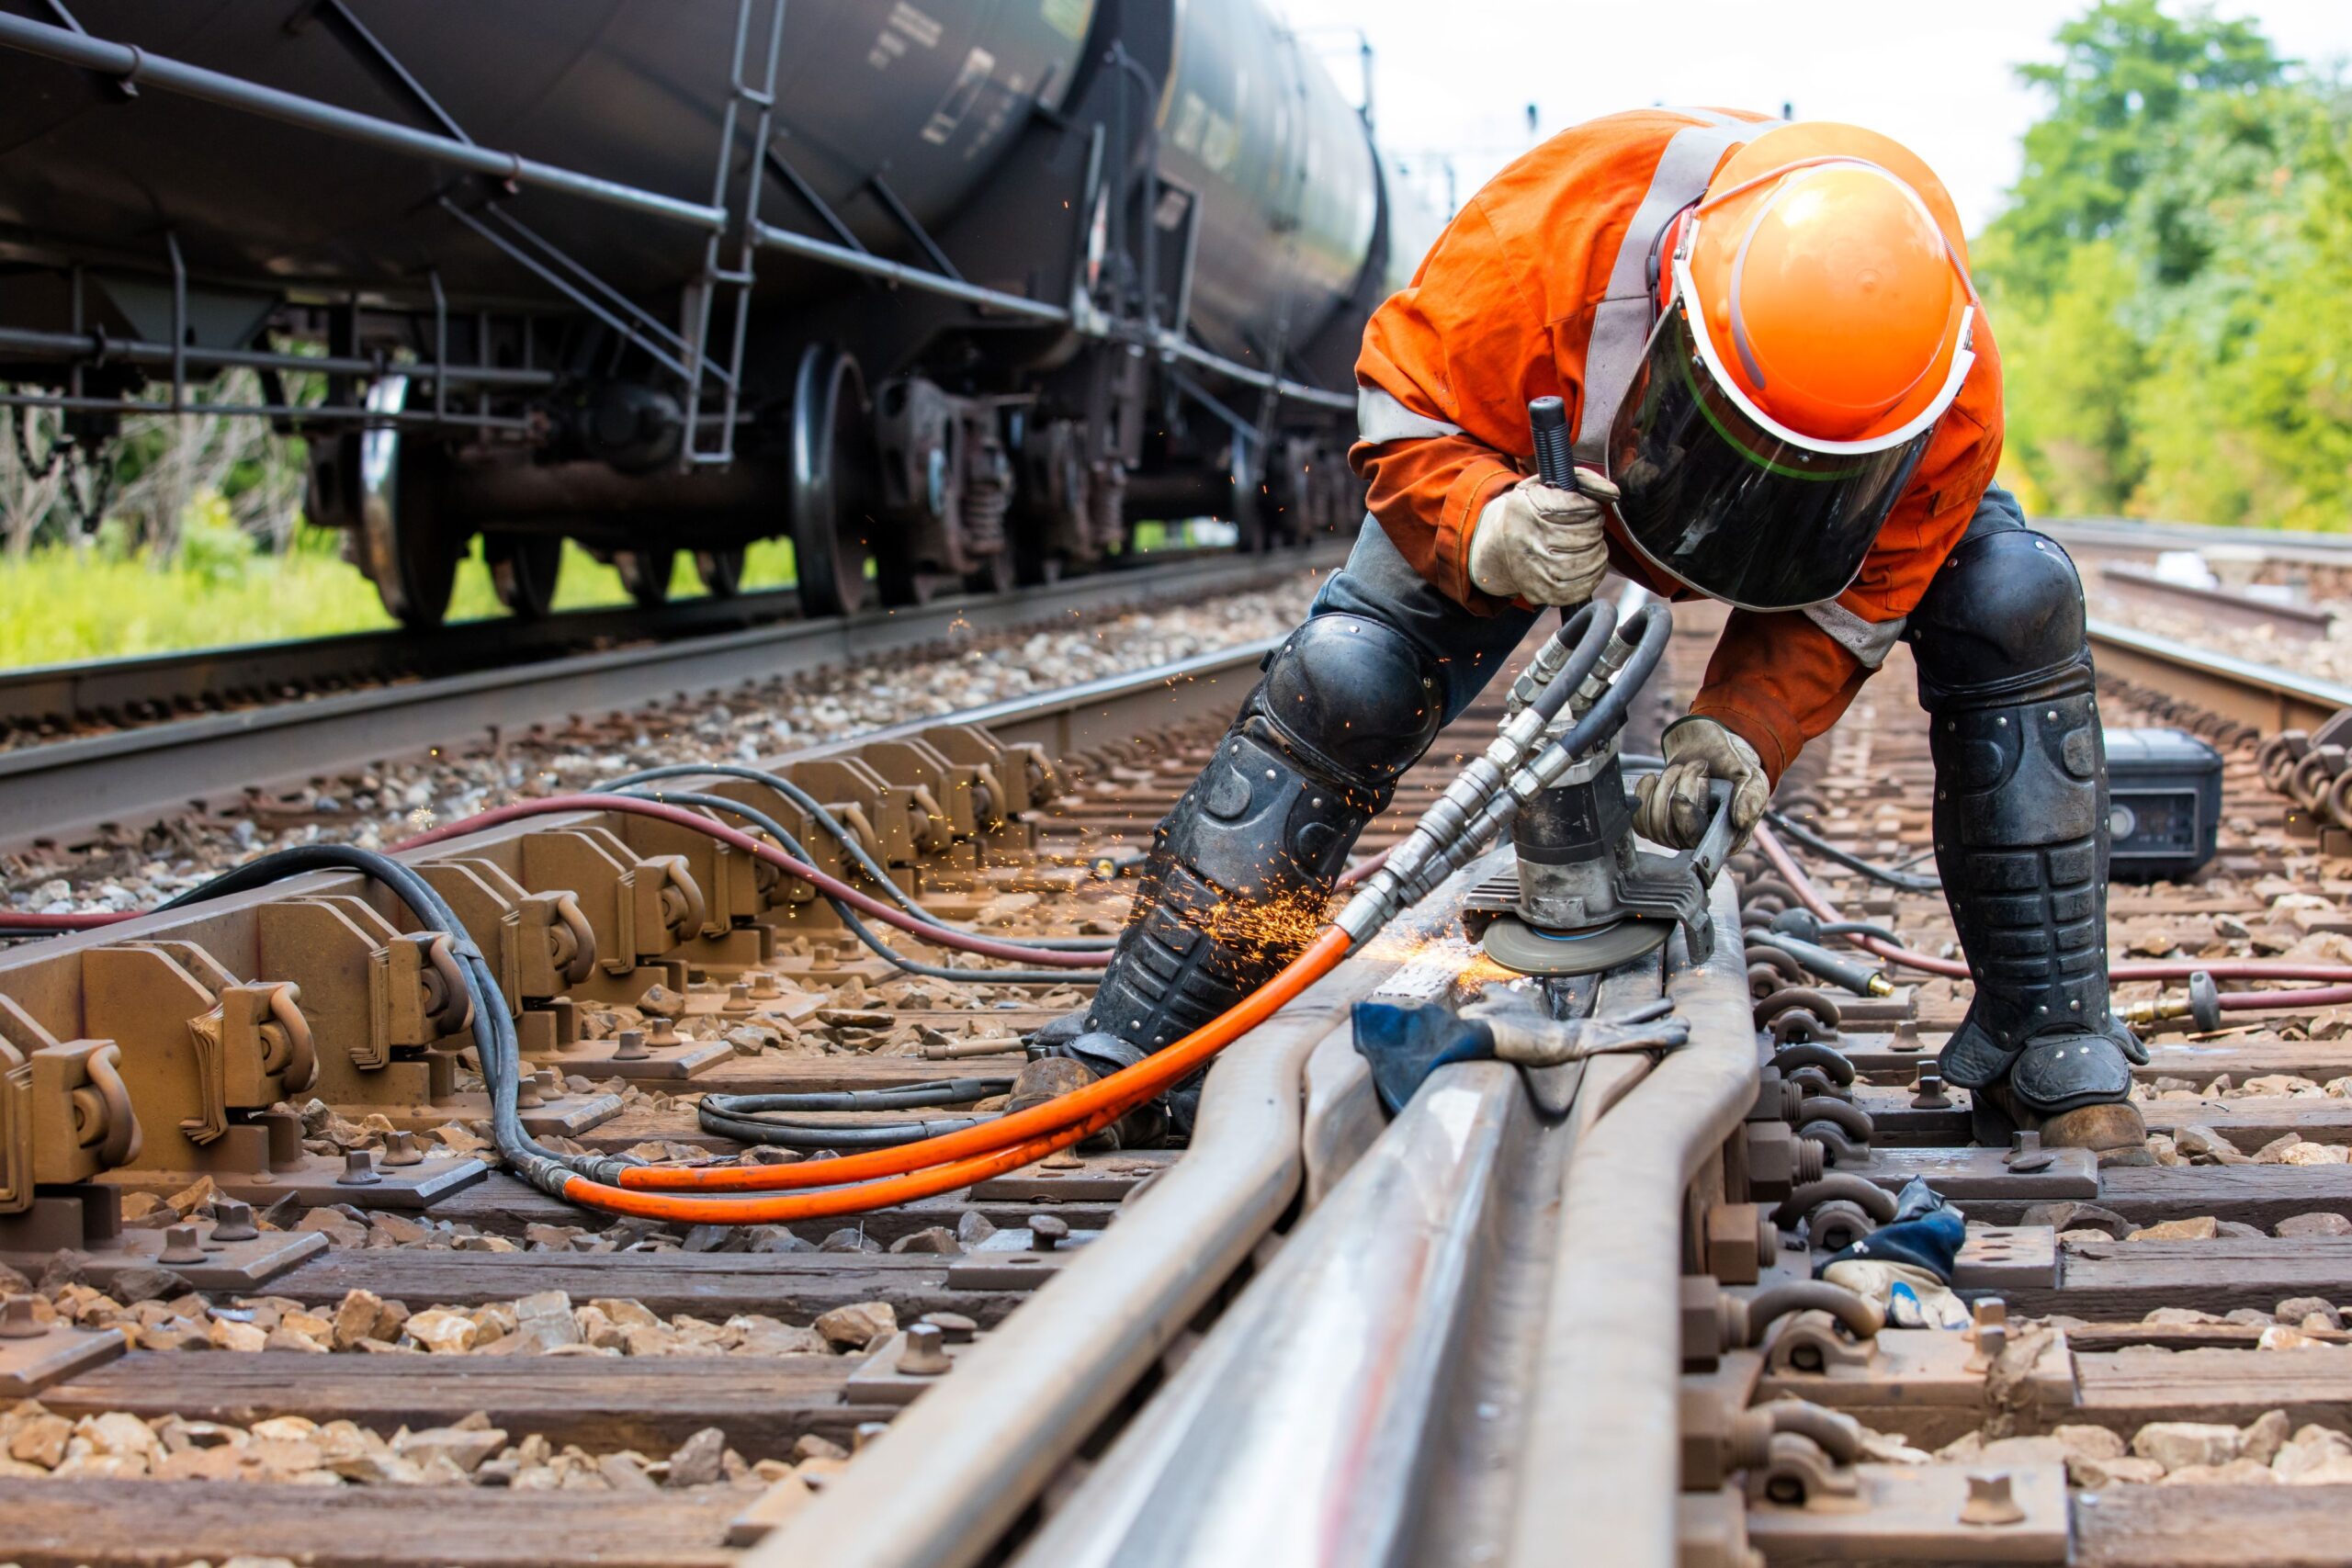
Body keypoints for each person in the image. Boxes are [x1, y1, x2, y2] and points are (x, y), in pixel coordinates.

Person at [1016, 109, 2149, 1166]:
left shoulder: (1941, 384)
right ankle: (1147, 1029)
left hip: (1779, 503)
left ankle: (2051, 1039)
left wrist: (1745, 724)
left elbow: (1871, 586)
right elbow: (1406, 408)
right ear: (1674, 310)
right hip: (1535, 485)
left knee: (2012, 597)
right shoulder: (1546, 238)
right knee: (1346, 676)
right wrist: (1484, 522)